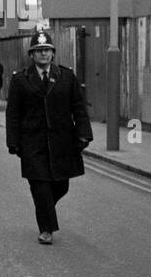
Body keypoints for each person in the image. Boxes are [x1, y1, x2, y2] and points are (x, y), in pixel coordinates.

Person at [6, 29, 92, 245]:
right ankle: (46, 229)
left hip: (61, 142)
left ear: (53, 53)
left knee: (62, 186)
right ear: (32, 55)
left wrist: (83, 134)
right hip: (32, 144)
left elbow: (78, 108)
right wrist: (13, 141)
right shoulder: (20, 80)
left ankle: (44, 209)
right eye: (39, 50)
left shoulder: (66, 77)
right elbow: (13, 113)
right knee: (40, 186)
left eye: (47, 50)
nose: (43, 54)